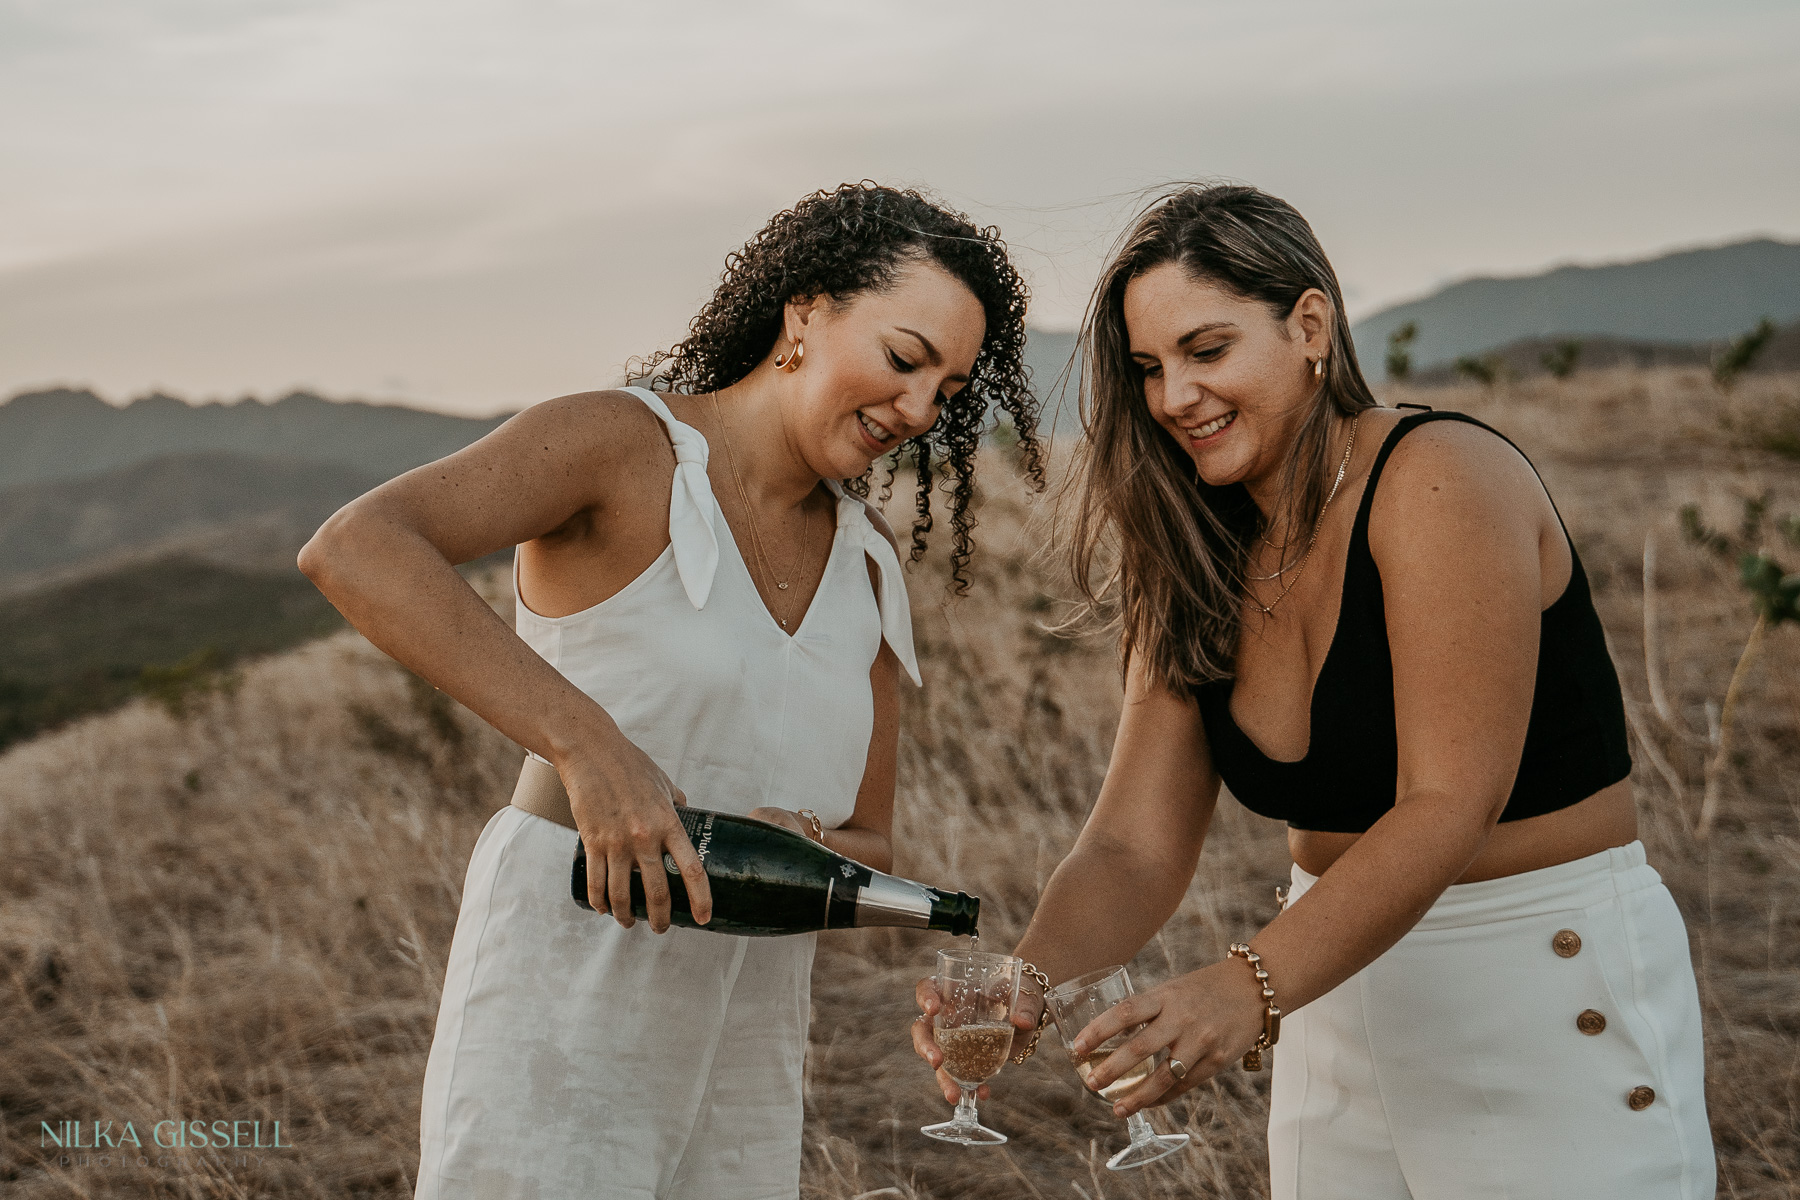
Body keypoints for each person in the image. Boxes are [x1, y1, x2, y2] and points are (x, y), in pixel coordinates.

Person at [912, 184, 1713, 1199]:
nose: (1174, 398)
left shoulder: (1439, 476)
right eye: (1151, 370)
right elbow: (1132, 844)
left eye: (1208, 351)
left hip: (1535, 983)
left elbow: (1449, 800)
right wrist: (1027, 982)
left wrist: (1245, 986)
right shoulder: (1193, 540)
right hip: (1330, 991)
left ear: (1310, 326)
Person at [300, 181, 1041, 1200]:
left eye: (948, 394)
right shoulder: (620, 446)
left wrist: (804, 846)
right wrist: (583, 743)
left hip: (747, 1027)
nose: (917, 410)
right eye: (905, 359)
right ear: (807, 311)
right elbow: (358, 547)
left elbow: (871, 843)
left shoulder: (869, 569)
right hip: (562, 991)